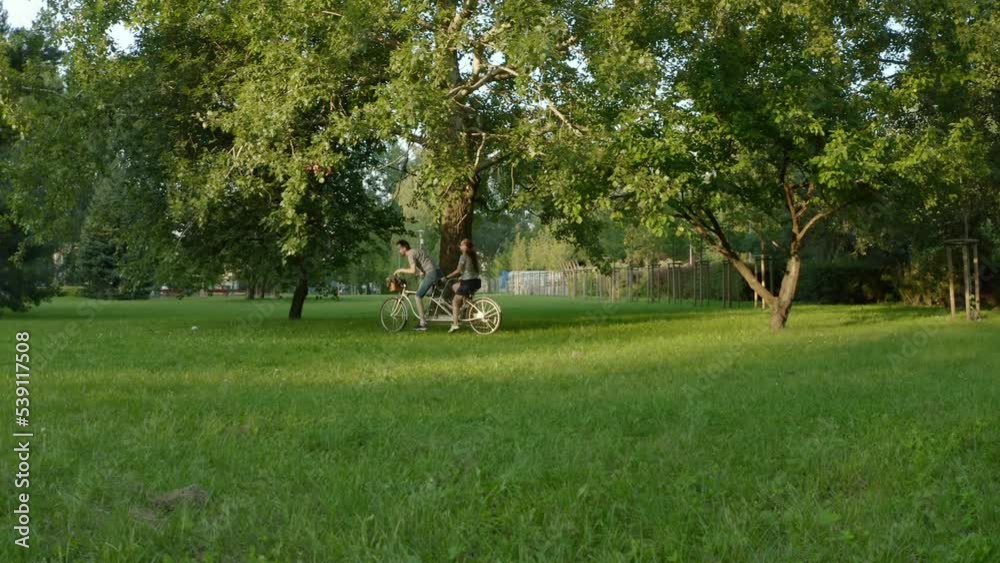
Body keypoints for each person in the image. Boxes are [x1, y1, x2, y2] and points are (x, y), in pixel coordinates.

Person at [393, 239, 442, 331]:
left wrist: (400, 270)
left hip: (431, 273)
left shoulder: (410, 254)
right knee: (430, 294)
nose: (398, 251)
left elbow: (412, 270)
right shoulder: (415, 251)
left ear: (404, 248)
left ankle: (423, 323)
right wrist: (421, 273)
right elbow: (420, 266)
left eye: (399, 249)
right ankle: (428, 314)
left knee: (418, 296)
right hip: (436, 271)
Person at [444, 238, 482, 333]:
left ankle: (455, 324)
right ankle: (465, 304)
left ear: (465, 247)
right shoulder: (473, 256)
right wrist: (462, 277)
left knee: (455, 302)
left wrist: (446, 277)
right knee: (455, 286)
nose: (460, 246)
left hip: (468, 282)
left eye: (462, 245)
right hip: (475, 281)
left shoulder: (463, 256)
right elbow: (470, 271)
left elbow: (458, 270)